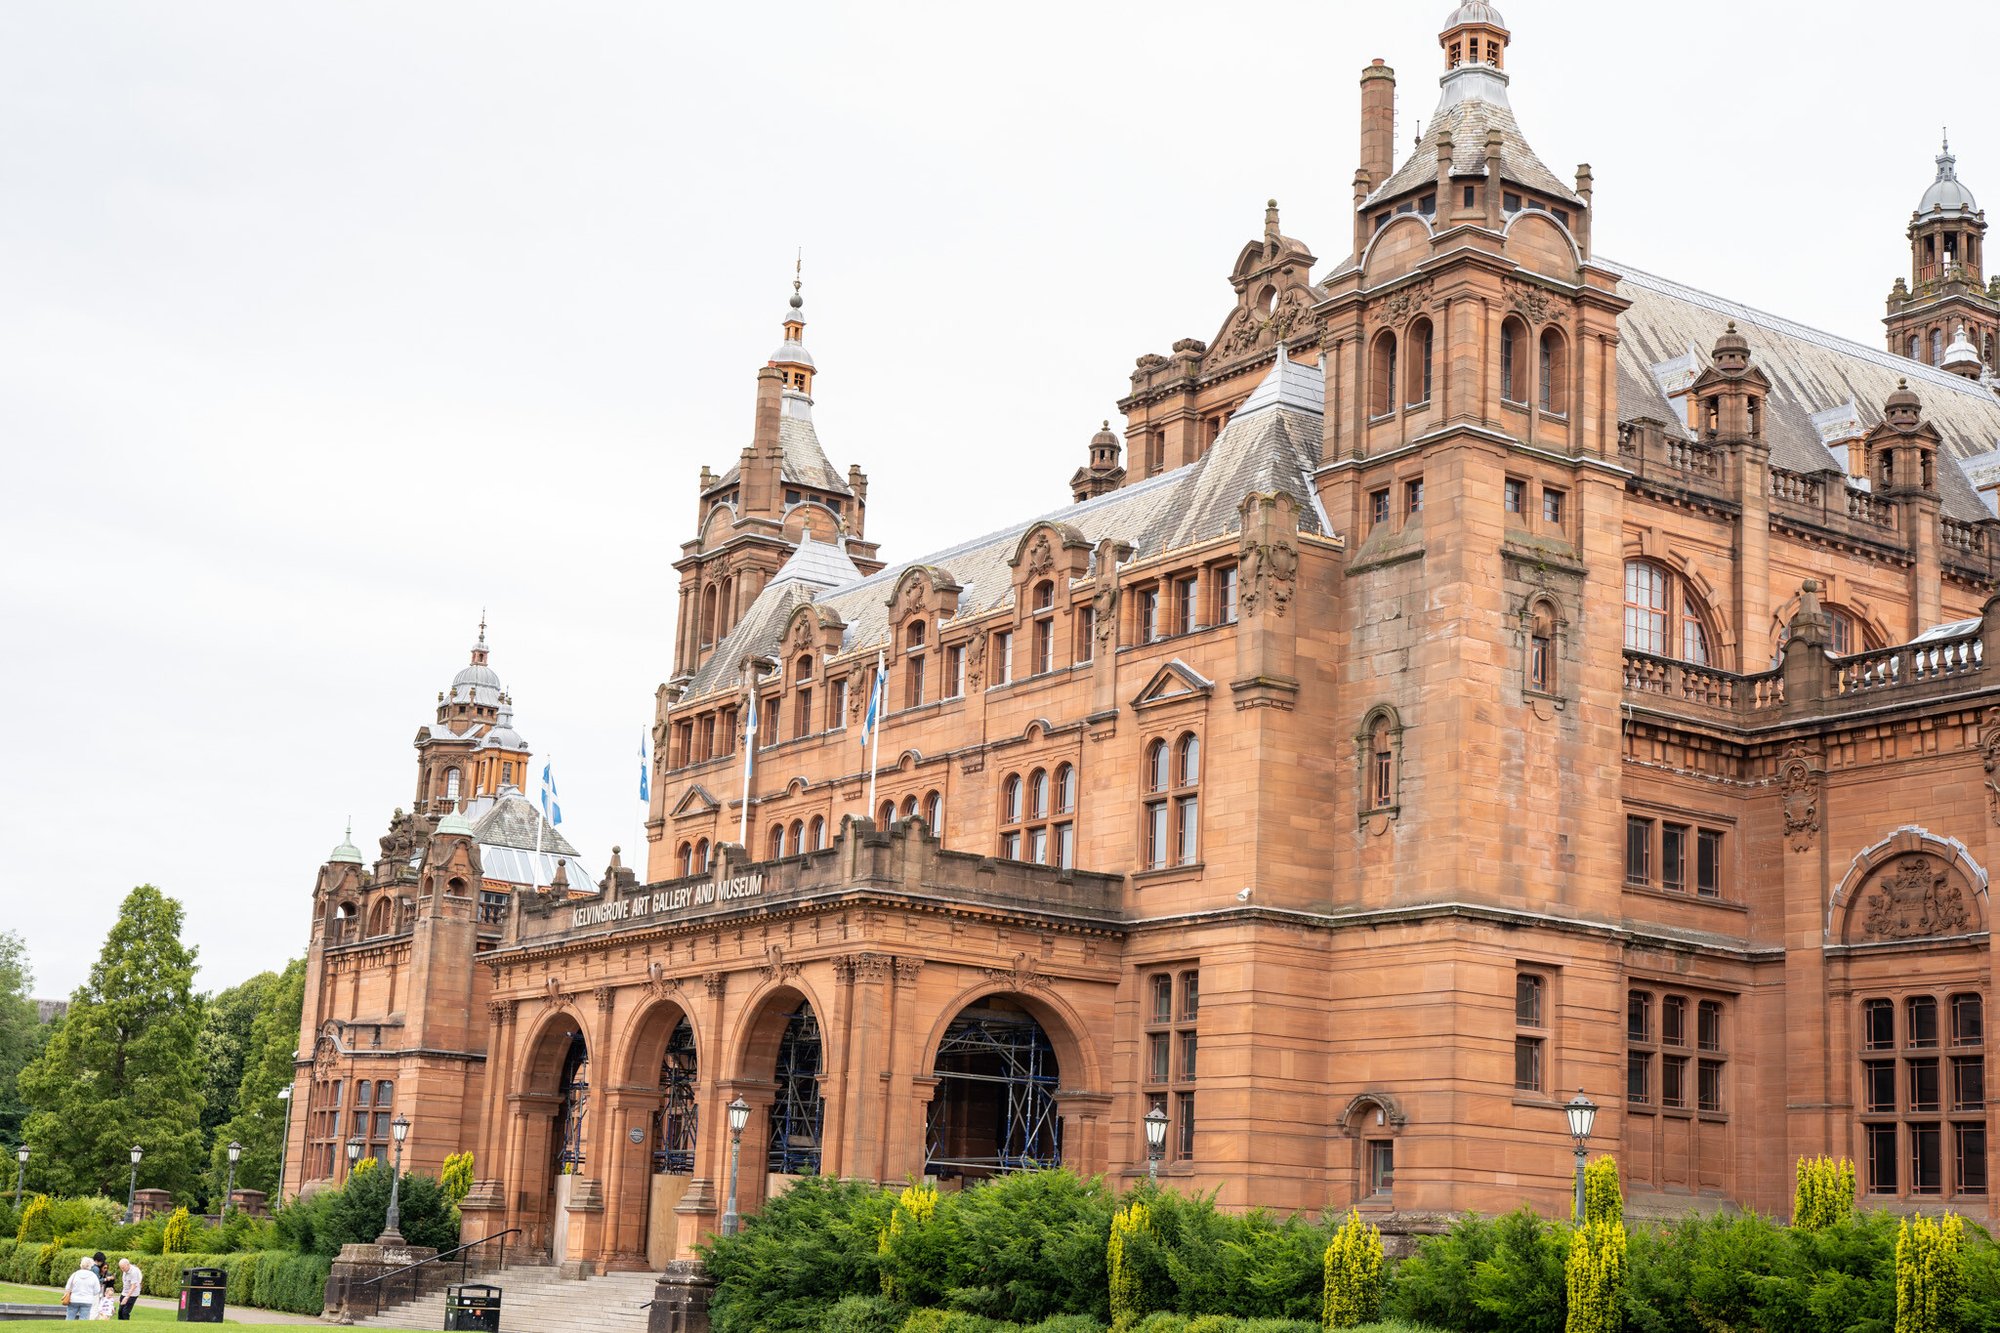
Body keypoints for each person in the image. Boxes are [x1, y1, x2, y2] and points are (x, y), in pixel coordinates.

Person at [60, 1255, 100, 1321]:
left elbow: (67, 1287)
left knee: (69, 1319)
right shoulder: (93, 1276)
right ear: (90, 1265)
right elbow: (97, 1290)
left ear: (81, 1264)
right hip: (87, 1300)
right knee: (83, 1320)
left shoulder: (75, 1274)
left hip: (74, 1299)